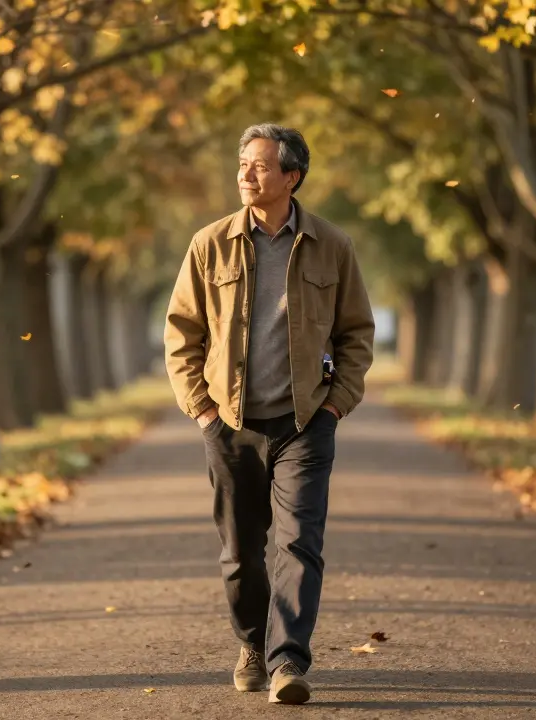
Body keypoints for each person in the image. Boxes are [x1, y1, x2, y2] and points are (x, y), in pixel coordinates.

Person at [163, 122, 375, 705]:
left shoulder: (333, 245)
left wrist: (336, 404)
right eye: (242, 164)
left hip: (306, 423)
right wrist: (203, 410)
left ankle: (287, 662)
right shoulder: (209, 243)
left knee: (299, 543)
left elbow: (356, 334)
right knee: (240, 554)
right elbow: (181, 333)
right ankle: (252, 645)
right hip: (230, 424)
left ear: (291, 176)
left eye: (259, 166)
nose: (246, 175)